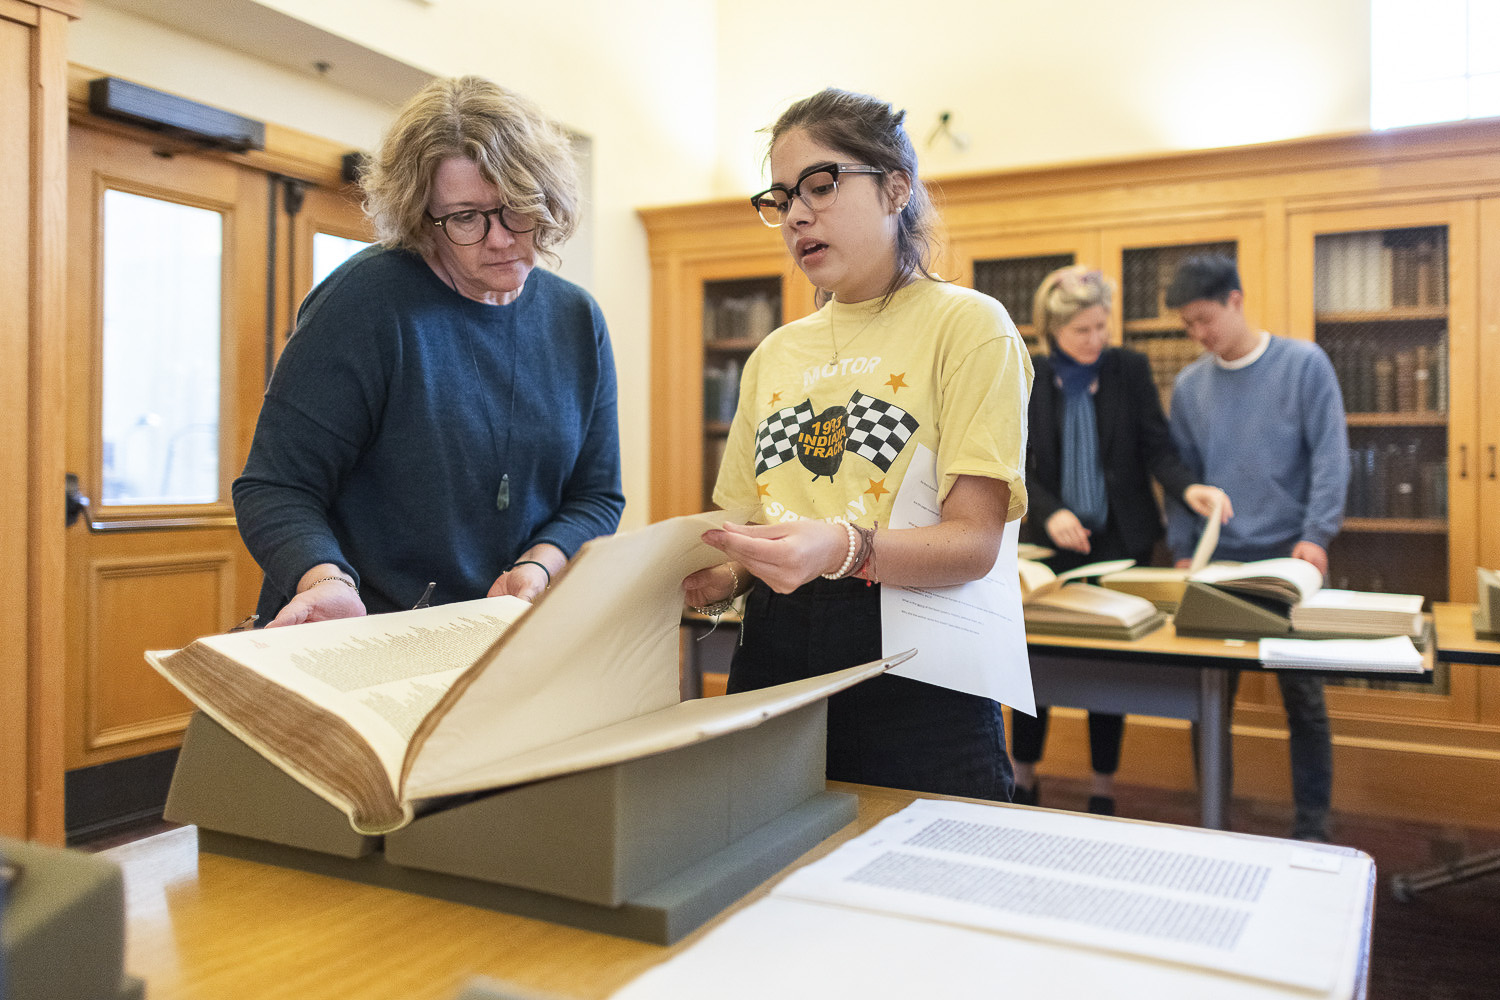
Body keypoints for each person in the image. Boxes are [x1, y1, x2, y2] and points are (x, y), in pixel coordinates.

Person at [682, 88, 1034, 802]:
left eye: (822, 183)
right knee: (769, 891)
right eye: (782, 198)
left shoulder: (969, 326)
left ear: (896, 188)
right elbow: (751, 538)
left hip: (916, 668)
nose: (798, 215)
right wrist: (705, 579)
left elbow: (972, 544)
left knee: (925, 895)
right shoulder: (774, 355)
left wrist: (842, 550)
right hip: (774, 662)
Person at [234, 76, 624, 627]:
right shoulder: (366, 302)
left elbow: (596, 496)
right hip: (365, 628)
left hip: (502, 634)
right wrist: (325, 580)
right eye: (466, 217)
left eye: (518, 208)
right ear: (423, 219)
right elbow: (276, 486)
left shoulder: (577, 319)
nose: (500, 237)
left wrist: (538, 565)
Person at [1013, 265, 1230, 815]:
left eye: (1101, 327)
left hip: (1121, 542)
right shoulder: (1029, 377)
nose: (1095, 340)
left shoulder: (1128, 370)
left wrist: (1191, 490)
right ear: (1051, 332)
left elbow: (1157, 449)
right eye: (1081, 331)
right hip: (1052, 549)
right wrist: (1053, 510)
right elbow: (1015, 466)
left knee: (1107, 664)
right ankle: (1024, 775)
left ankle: (1102, 786)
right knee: (1039, 668)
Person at [1163, 253, 1349, 841]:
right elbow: (1181, 478)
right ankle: (1217, 817)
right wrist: (1183, 549)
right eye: (1188, 325)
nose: (1199, 334)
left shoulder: (1303, 365)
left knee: (1305, 700)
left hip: (1290, 559)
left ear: (1236, 300)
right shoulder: (1191, 386)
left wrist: (1316, 536)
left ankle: (1313, 825)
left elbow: (1330, 456)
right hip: (1219, 562)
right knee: (1209, 697)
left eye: (1205, 319)